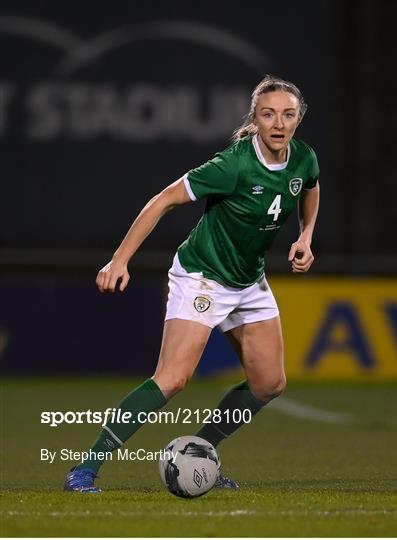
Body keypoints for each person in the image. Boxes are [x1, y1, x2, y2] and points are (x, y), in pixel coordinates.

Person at [64, 74, 320, 493]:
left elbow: (310, 187)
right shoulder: (232, 165)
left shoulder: (303, 157)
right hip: (202, 276)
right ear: (254, 118)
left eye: (288, 115)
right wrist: (119, 259)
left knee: (269, 384)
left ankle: (200, 454)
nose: (278, 123)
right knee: (173, 379)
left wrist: (306, 236)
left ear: (298, 118)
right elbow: (162, 200)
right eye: (269, 114)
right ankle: (85, 468)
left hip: (248, 280)